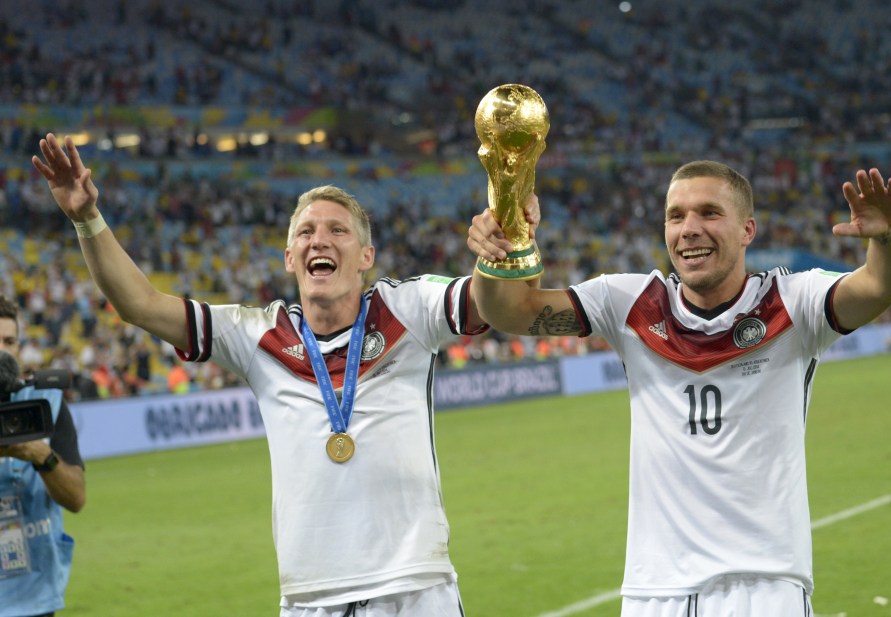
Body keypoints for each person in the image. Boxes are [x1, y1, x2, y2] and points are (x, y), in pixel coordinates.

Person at [31, 133, 524, 616]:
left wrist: (498, 249)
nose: (319, 240)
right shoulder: (257, 335)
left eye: (338, 230)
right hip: (309, 598)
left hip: (415, 590)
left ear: (366, 258)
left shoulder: (408, 309)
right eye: (305, 232)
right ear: (290, 258)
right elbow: (139, 304)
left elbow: (490, 303)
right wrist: (86, 218)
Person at [467, 160, 891, 616]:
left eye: (709, 213)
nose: (689, 229)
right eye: (676, 216)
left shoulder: (794, 302)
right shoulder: (628, 304)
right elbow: (508, 311)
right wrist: (504, 249)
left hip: (764, 589)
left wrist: (887, 235)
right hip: (654, 592)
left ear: (747, 230)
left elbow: (883, 283)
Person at [0, 296, 86, 617]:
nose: (2, 350)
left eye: (9, 341)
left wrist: (40, 454)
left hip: (36, 595)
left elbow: (76, 498)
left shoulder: (44, 402)